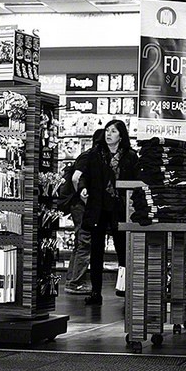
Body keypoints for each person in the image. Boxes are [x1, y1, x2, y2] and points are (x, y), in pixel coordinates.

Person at [71, 119, 138, 305]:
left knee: (123, 250)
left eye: (113, 131)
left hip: (120, 208)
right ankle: (96, 292)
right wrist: (83, 188)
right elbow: (84, 176)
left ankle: (125, 288)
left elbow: (137, 180)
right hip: (98, 207)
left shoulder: (130, 156)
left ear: (121, 136)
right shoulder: (95, 153)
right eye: (107, 130)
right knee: (96, 251)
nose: (109, 134)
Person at [63, 129, 104, 294]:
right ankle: (76, 282)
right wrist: (83, 196)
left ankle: (72, 280)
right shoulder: (89, 156)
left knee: (81, 242)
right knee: (85, 242)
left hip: (78, 205)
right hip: (81, 206)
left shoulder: (90, 156)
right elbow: (76, 178)